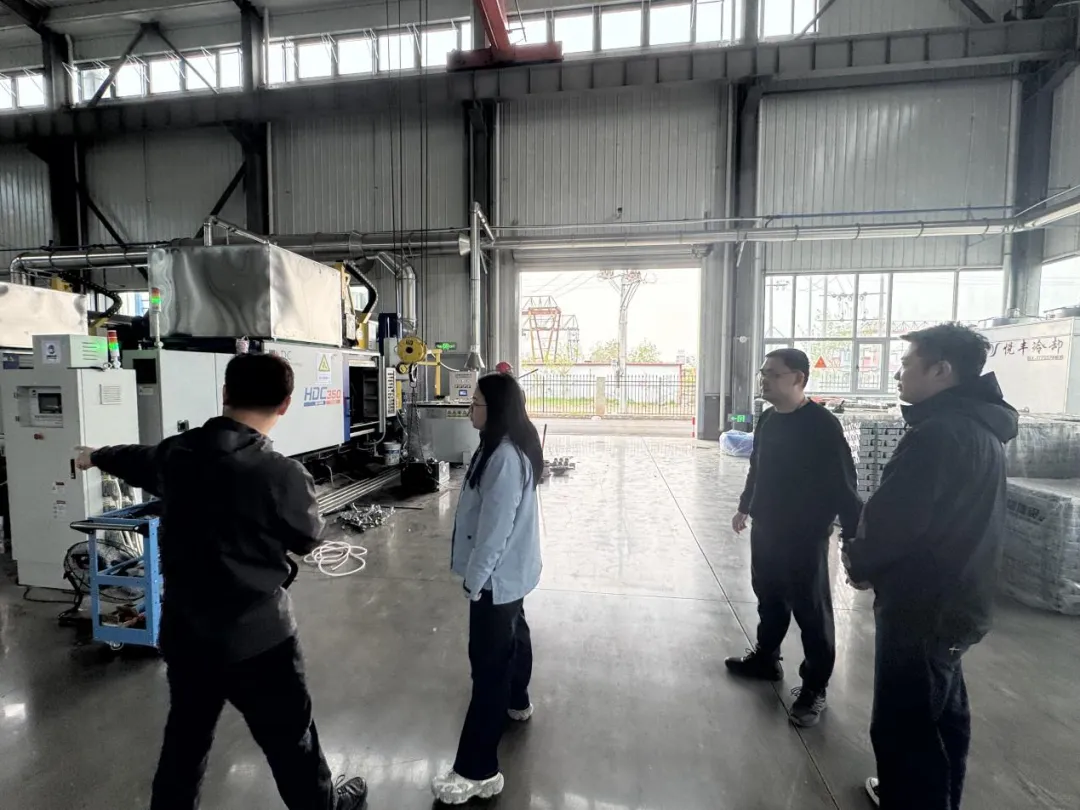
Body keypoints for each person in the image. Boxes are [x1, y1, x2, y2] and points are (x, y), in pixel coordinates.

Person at [75, 352, 367, 810]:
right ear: (286, 404)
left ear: (226, 393)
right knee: (291, 743)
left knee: (185, 745)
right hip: (259, 638)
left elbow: (135, 458)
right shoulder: (282, 474)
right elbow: (308, 536)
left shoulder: (178, 454)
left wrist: (94, 456)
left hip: (187, 634)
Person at [843, 324, 1017, 810]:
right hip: (961, 597)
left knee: (905, 723)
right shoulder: (979, 427)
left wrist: (859, 560)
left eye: (906, 364)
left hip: (924, 604)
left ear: (941, 370)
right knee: (942, 716)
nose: (898, 374)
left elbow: (896, 520)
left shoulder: (937, 434)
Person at [725, 348, 862, 728]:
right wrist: (745, 506)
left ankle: (815, 688)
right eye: (763, 373)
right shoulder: (769, 419)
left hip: (805, 535)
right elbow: (757, 467)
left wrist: (855, 539)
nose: (764, 380)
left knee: (811, 611)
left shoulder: (821, 425)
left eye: (773, 374)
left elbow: (844, 484)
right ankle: (766, 659)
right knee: (769, 598)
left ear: (799, 378)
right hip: (766, 527)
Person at [431, 372, 544, 806]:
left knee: (488, 669)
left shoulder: (504, 459)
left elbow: (495, 532)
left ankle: (477, 771)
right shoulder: (497, 448)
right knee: (516, 632)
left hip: (497, 578)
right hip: (513, 574)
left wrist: (475, 582)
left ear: (495, 409)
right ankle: (518, 699)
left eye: (475, 403)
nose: (469, 410)